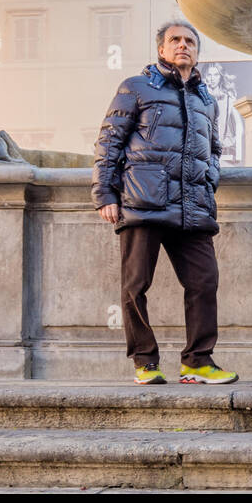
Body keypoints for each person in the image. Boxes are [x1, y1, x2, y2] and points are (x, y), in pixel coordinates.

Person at [92, 20, 239, 386]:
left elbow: (215, 150)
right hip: (144, 201)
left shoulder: (207, 99)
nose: (183, 46)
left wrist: (210, 180)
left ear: (197, 51)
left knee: (205, 283)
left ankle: (197, 362)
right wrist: (105, 194)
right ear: (161, 49)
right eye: (175, 40)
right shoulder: (136, 87)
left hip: (193, 205)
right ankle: (145, 361)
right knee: (136, 285)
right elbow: (108, 142)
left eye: (190, 41)